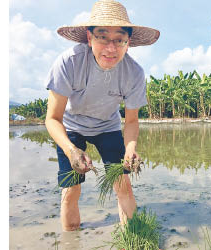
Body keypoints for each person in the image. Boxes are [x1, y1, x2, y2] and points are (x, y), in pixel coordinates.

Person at [44, 0, 160, 231]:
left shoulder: (134, 73)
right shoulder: (69, 62)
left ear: (129, 43)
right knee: (71, 190)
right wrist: (71, 150)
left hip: (108, 126)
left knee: (122, 184)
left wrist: (130, 149)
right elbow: (52, 119)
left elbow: (132, 121)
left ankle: (133, 238)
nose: (111, 48)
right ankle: (70, 241)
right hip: (71, 126)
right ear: (89, 38)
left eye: (119, 40)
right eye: (102, 37)